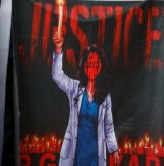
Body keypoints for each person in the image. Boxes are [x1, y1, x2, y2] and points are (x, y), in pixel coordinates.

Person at [51, 29, 119, 166]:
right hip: (75, 151)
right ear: (84, 66)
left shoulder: (105, 96)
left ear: (101, 67)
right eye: (89, 64)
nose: (92, 68)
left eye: (96, 64)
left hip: (94, 153)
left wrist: (113, 149)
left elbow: (108, 125)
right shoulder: (75, 88)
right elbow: (57, 76)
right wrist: (58, 48)